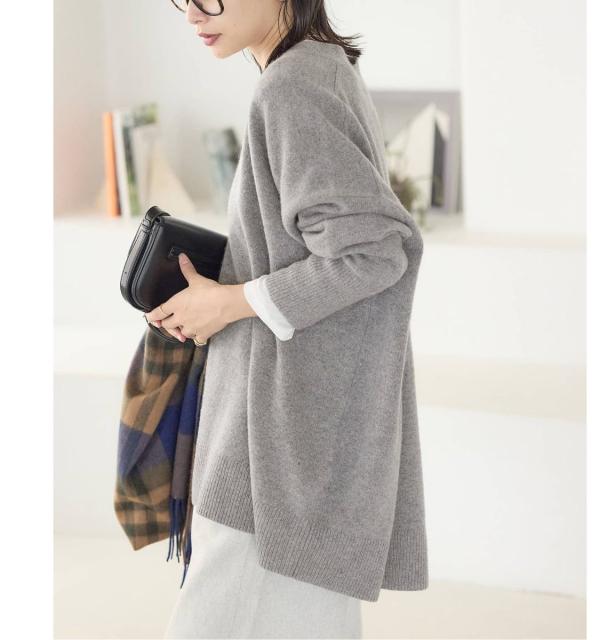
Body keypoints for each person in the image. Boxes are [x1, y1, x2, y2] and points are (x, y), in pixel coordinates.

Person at [145, 1, 429, 638]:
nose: (194, 12)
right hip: (301, 433)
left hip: (278, 448)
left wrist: (229, 302)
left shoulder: (293, 85)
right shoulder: (320, 69)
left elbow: (371, 252)